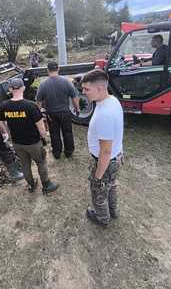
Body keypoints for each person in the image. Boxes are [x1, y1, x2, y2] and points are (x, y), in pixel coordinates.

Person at [0, 78, 59, 194]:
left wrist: (8, 134)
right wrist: (45, 138)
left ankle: (31, 184)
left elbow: (1, 122)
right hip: (33, 143)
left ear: (10, 89)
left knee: (25, 164)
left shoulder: (4, 105)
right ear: (23, 88)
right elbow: (41, 126)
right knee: (41, 162)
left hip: (17, 142)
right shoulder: (30, 106)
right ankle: (46, 185)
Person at [81, 70, 124, 228]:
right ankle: (113, 211)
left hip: (105, 161)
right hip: (116, 156)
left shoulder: (104, 114)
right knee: (112, 185)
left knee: (98, 191)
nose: (83, 93)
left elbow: (105, 151)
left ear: (100, 88)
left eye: (86, 89)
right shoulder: (113, 100)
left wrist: (97, 176)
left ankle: (102, 218)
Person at [36, 61, 80, 159]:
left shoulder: (43, 85)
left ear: (47, 70)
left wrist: (37, 114)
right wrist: (77, 109)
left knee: (54, 133)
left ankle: (57, 153)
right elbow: (74, 97)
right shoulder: (66, 82)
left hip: (51, 114)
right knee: (67, 132)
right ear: (58, 69)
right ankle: (69, 151)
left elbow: (38, 101)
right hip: (65, 113)